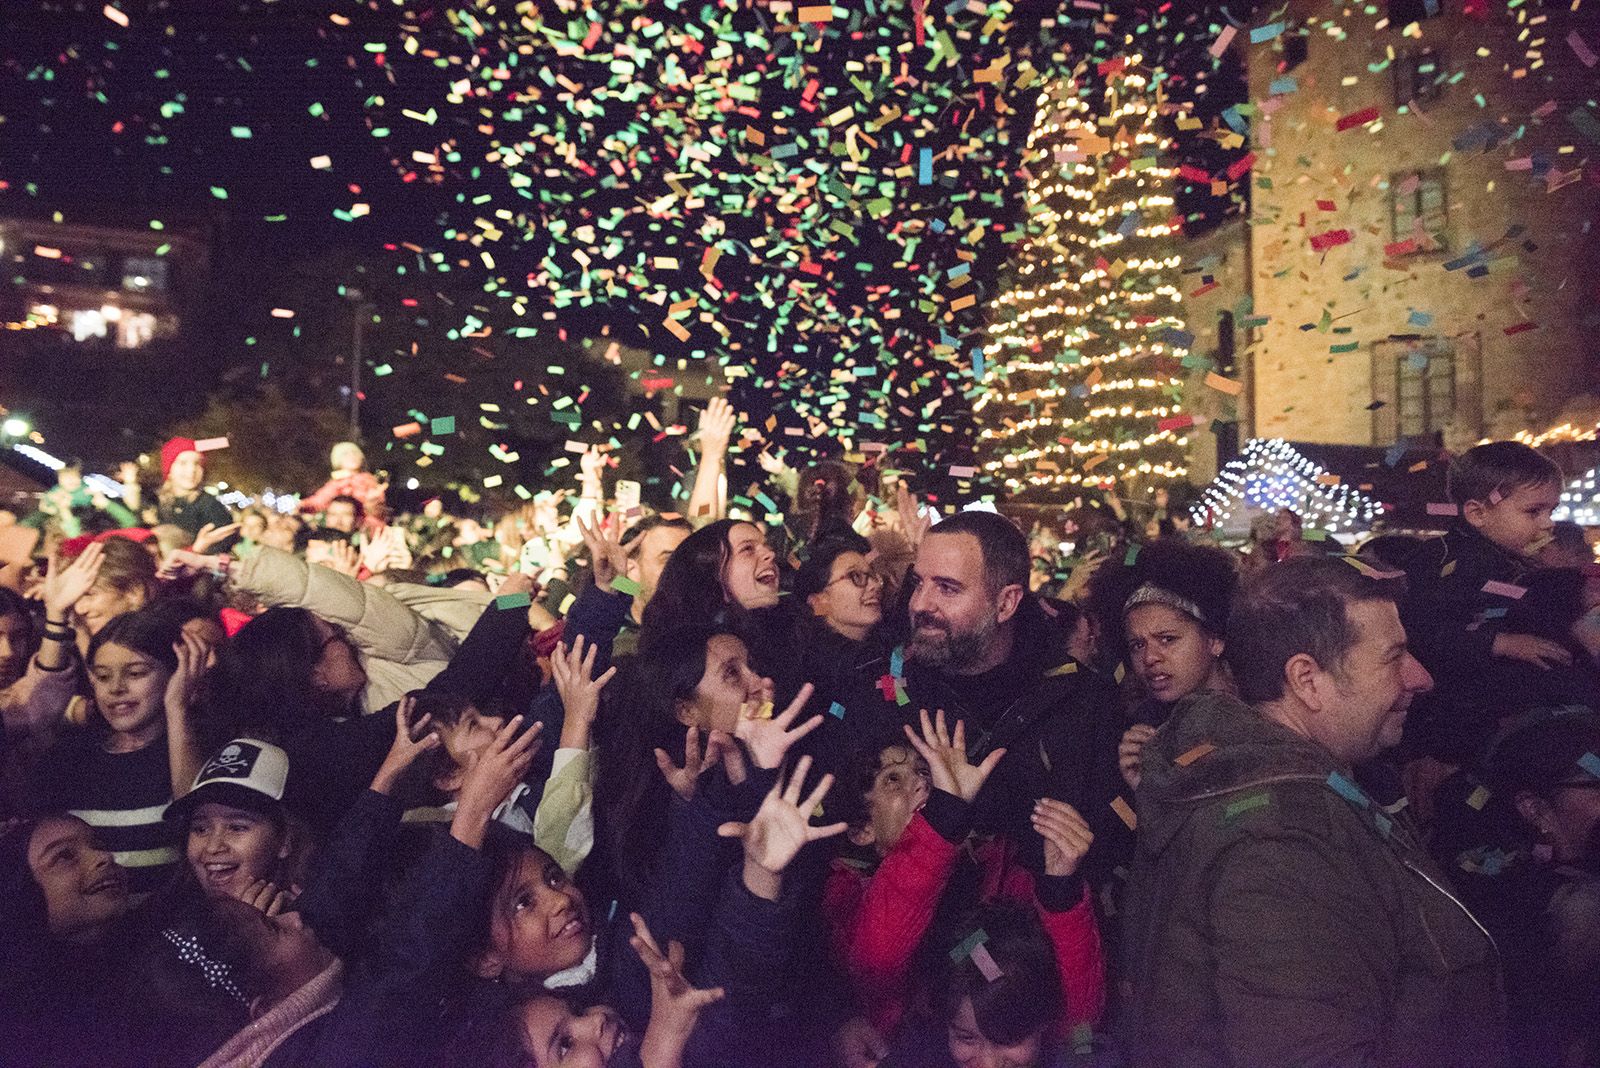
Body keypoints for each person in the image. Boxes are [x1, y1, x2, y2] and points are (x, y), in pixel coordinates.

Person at [1121, 555, 1506, 1068]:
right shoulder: (1280, 839)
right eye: (1394, 656)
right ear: (1306, 679)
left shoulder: (1289, 788)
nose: (1420, 678)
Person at [836, 510, 1123, 880]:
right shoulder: (876, 693)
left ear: (1006, 603)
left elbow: (1103, 847)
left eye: (947, 588)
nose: (921, 604)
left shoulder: (1080, 702)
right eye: (919, 583)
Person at [823, 711, 1104, 1047]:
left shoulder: (994, 871)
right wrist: (942, 817)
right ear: (863, 830)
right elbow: (878, 961)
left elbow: (1079, 1027)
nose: (921, 781)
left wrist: (1061, 889)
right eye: (892, 779)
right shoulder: (848, 893)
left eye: (923, 770)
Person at [1400, 441, 1572, 765]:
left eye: (1552, 511)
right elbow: (1421, 630)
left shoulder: (1510, 561)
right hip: (1448, 732)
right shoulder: (1446, 562)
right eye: (1533, 511)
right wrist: (1499, 642)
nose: (1548, 523)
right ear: (1478, 513)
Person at [27, 609, 211, 892]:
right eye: (102, 676)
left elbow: (197, 825)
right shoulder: (68, 758)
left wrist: (177, 709)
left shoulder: (197, 750)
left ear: (178, 673)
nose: (115, 688)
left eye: (136, 673)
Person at [165, 737, 305, 907]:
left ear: (285, 841)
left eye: (237, 827)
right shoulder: (166, 913)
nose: (213, 847)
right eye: (201, 829)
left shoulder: (313, 925)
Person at [155, 437, 234, 540]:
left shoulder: (209, 505)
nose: (192, 470)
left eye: (197, 463)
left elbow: (225, 540)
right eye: (183, 463)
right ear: (169, 470)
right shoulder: (157, 502)